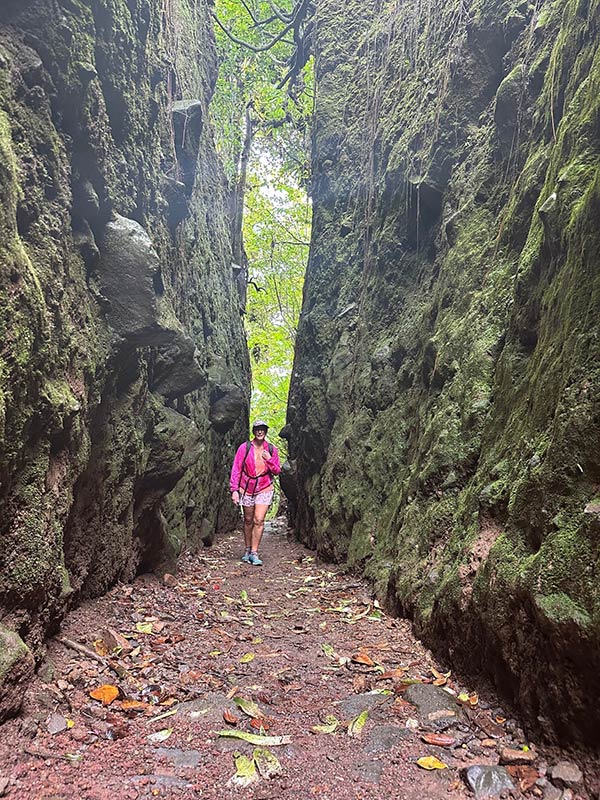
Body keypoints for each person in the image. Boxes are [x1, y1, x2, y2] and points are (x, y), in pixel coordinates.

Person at [229, 420, 281, 566]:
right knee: (248, 519)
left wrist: (269, 460)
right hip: (246, 488)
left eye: (262, 429)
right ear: (254, 431)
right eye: (257, 429)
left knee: (259, 519)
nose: (260, 432)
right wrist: (234, 490)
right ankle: (246, 549)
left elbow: (277, 470)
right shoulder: (244, 448)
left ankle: (254, 552)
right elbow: (236, 469)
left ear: (265, 431)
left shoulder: (271, 449)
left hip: (265, 487)